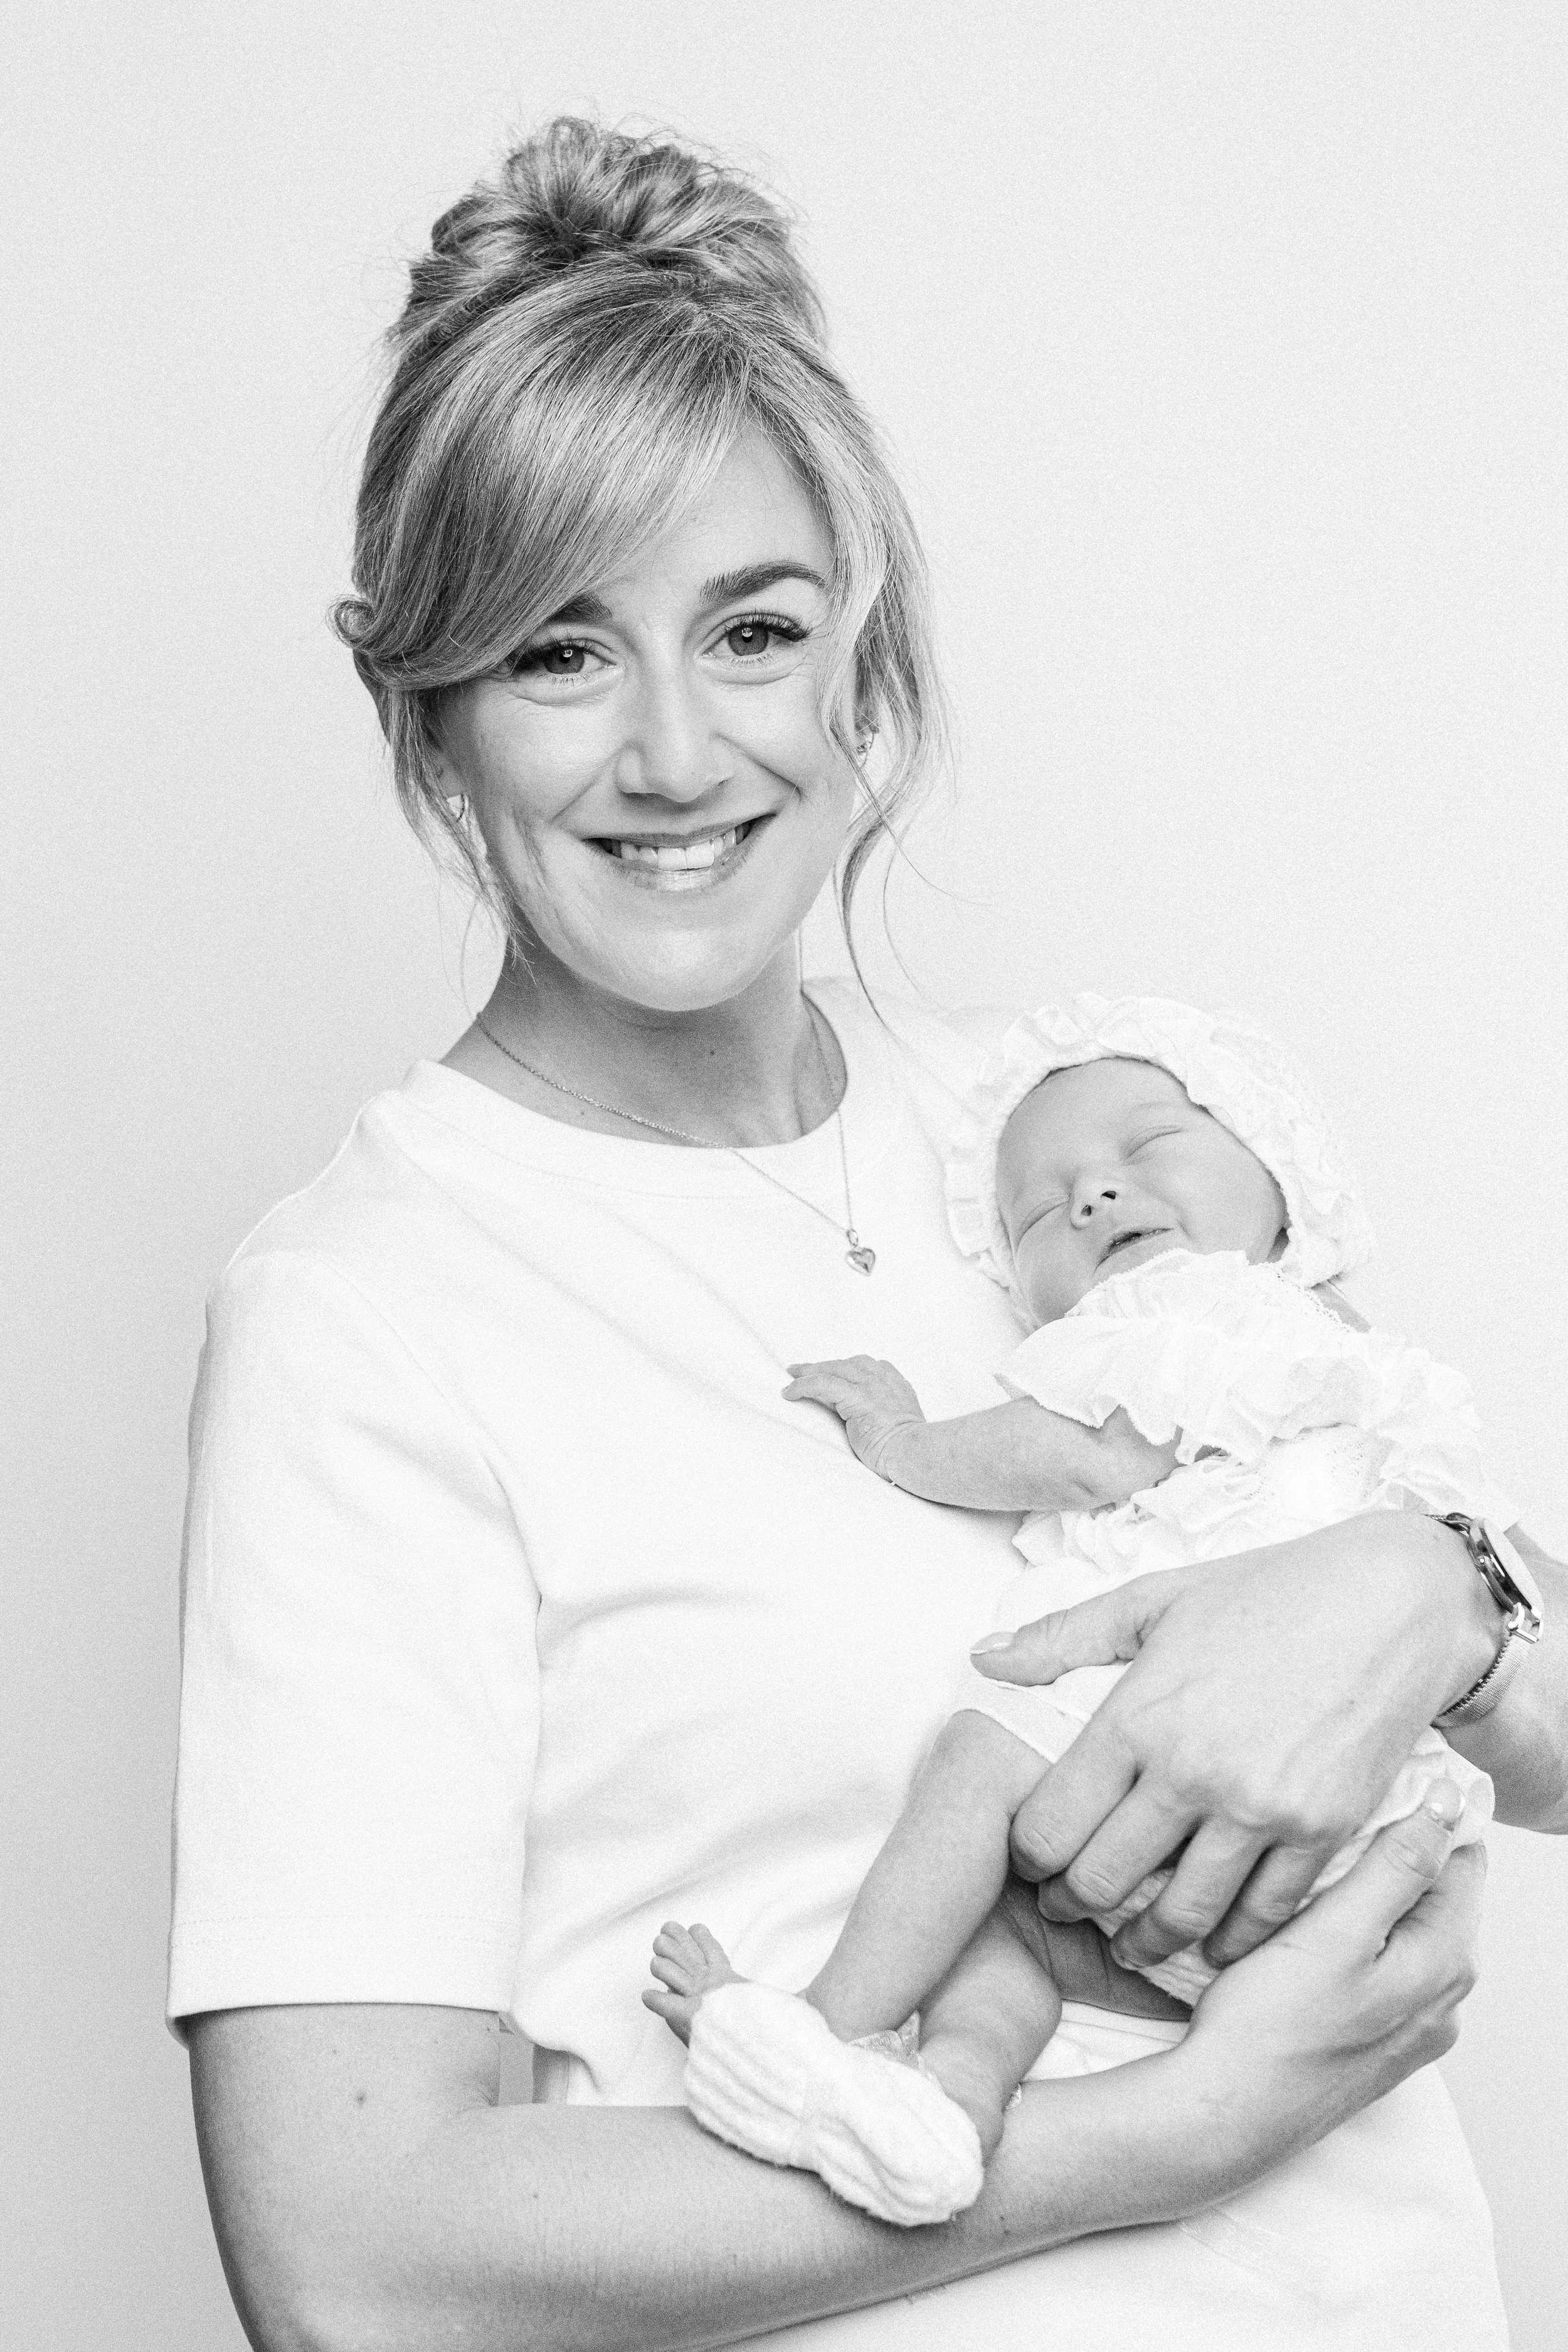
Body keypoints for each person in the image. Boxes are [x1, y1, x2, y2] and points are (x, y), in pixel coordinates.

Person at [170, 119, 1567, 2351]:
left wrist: (1437, 1592)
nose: (673, 752)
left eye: (753, 630)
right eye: (557, 649)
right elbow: (350, 2257)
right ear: (419, 706)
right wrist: (1163, 2135)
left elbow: (1521, 1699)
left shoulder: (1063, 1133)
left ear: (862, 655)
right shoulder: (371, 1310)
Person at [645, 997, 1525, 2233]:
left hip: (1240, 1726)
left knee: (980, 1763)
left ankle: (817, 2032)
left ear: (1284, 1186)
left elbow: (1086, 1453)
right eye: (1037, 1213)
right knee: (1013, 1935)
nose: (1093, 1196)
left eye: (1149, 1145)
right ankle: (943, 2108)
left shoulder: (1209, 1312)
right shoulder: (1375, 1369)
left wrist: (901, 1439)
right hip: (1341, 1862)